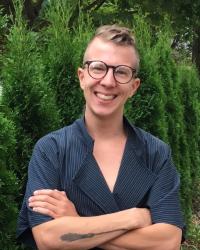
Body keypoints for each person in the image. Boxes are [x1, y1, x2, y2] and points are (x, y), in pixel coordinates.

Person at [17, 24, 184, 250]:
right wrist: (133, 218)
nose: (107, 81)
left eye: (121, 71)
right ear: (82, 76)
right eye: (98, 68)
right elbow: (48, 239)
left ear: (134, 87)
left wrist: (76, 223)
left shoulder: (156, 153)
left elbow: (168, 241)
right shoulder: (51, 150)